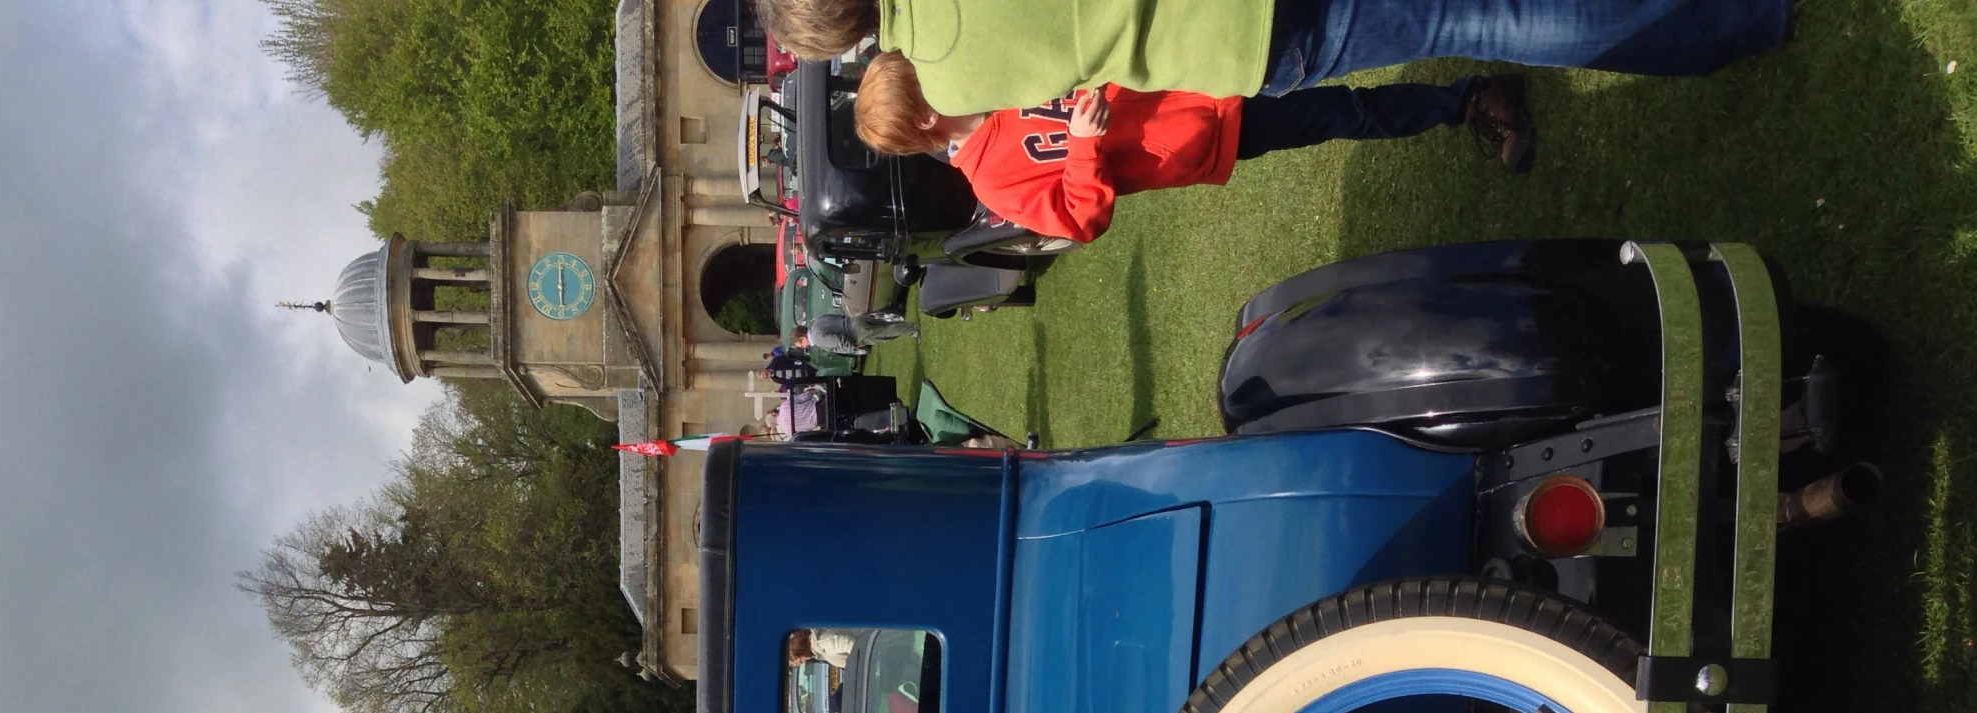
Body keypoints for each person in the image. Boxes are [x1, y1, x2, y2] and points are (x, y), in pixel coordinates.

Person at [855, 61, 1537, 240]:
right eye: (921, 83)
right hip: (1206, 132)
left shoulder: (995, 80)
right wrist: (1085, 149)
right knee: (1342, 112)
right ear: (923, 119)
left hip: (1199, 69)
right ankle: (1471, 102)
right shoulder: (992, 182)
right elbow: (1078, 219)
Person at [753, 0, 1790, 115]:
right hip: (1254, 22)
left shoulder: (953, 82)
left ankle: (1726, 28)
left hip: (1246, 48)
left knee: (1479, 23)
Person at [806, 310, 919, 357]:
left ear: (801, 339)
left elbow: (837, 341)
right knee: (885, 326)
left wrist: (853, 347)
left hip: (856, 334)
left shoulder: (817, 338)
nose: (804, 346)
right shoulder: (817, 321)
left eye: (800, 344)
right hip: (855, 320)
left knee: (886, 333)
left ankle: (913, 329)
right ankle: (910, 329)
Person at [787, 627, 858, 670]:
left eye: (801, 660)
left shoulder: (822, 643)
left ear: (801, 650)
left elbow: (850, 644)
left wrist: (861, 662)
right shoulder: (819, 651)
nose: (804, 661)